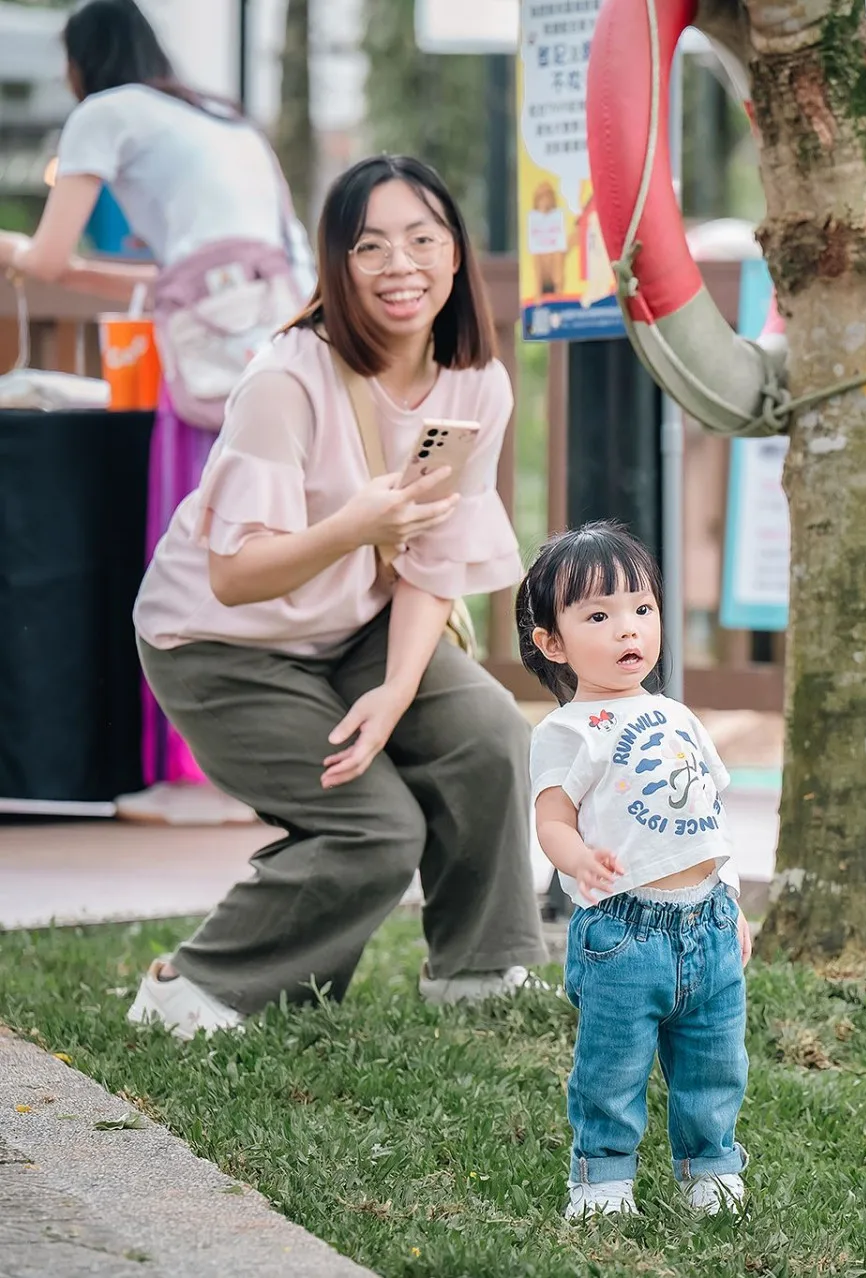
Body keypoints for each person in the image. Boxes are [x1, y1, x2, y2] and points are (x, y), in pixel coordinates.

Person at [121, 154, 545, 1038]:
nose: (401, 266)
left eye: (422, 239)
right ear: (337, 265)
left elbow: (434, 558)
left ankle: (479, 972)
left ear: (455, 253)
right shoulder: (286, 382)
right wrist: (352, 527)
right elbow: (236, 577)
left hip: (353, 625)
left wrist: (394, 693)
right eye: (371, 246)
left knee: (489, 734)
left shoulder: (476, 383)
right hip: (221, 645)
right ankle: (191, 990)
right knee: (374, 829)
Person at [0, 0, 314, 827]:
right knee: (266, 547)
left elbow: (49, 257)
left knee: (193, 550)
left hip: (207, 367)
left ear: (81, 63)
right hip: (277, 346)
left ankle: (197, 772)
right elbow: (168, 274)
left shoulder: (104, 113)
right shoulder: (221, 118)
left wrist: (14, 251)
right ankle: (265, 766)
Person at [518, 522, 751, 1220]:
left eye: (642, 608)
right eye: (599, 616)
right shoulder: (565, 732)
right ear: (553, 644)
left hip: (708, 923)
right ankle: (603, 1179)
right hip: (624, 934)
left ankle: (710, 1167)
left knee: (715, 1063)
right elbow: (552, 820)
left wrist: (731, 900)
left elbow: (708, 817)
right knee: (611, 1068)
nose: (628, 628)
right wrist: (578, 859)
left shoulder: (677, 715)